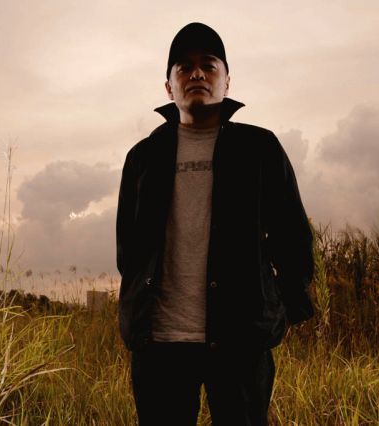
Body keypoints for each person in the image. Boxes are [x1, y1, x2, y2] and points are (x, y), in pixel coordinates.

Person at [116, 22, 315, 426]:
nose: (197, 74)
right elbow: (129, 250)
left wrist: (281, 308)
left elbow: (293, 237)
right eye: (184, 67)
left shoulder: (259, 148)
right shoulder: (143, 157)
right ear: (169, 87)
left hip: (240, 339)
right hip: (160, 343)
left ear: (227, 81)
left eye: (208, 65)